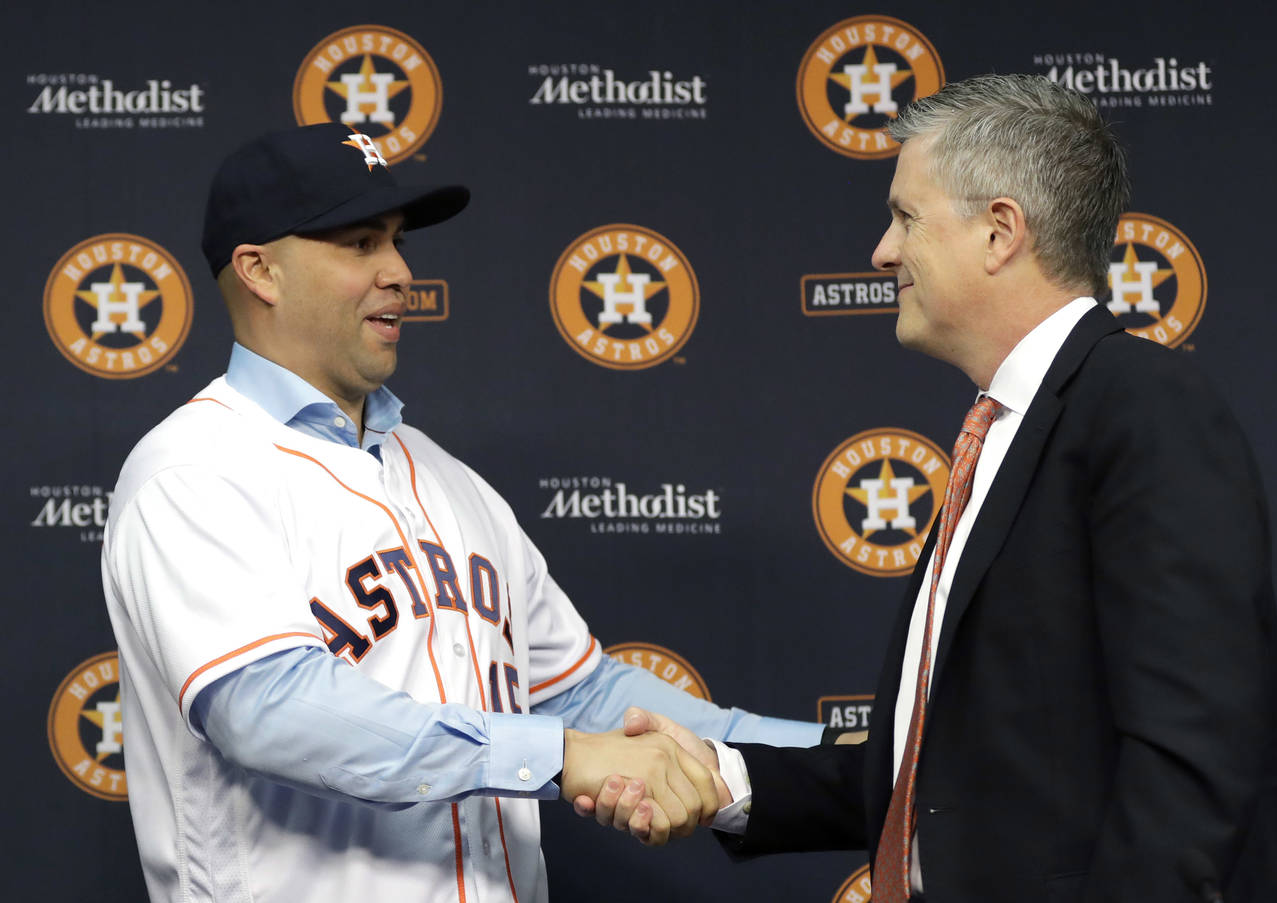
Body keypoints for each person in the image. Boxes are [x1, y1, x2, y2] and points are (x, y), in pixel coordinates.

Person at [595, 74, 1277, 901]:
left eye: (906, 217)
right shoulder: (1000, 433)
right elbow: (943, 777)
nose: (883, 251)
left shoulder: (1142, 406)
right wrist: (721, 776)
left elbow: (1192, 757)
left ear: (999, 233)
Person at [100, 122, 821, 903]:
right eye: (361, 244)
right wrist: (558, 755)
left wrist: (848, 753)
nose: (400, 272)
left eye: (399, 242)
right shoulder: (193, 469)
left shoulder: (450, 483)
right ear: (260, 269)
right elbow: (267, 706)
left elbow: (582, 695)